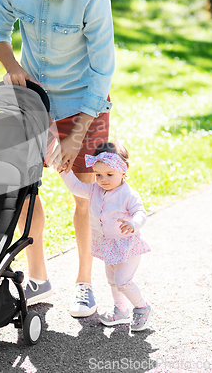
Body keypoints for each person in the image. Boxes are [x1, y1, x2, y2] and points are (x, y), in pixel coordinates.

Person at [0, 0, 114, 317]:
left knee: (87, 197)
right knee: (22, 188)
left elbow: (102, 70)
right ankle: (38, 276)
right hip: (32, 98)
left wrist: (75, 137)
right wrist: (13, 68)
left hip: (84, 103)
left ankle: (84, 284)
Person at [60, 141, 153, 331]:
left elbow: (140, 212)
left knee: (122, 281)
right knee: (112, 281)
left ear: (123, 172)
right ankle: (121, 311)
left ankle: (142, 308)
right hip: (108, 244)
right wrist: (64, 171)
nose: (103, 179)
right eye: (99, 174)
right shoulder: (95, 189)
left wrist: (134, 224)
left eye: (110, 175)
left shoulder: (128, 194)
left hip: (127, 245)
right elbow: (76, 187)